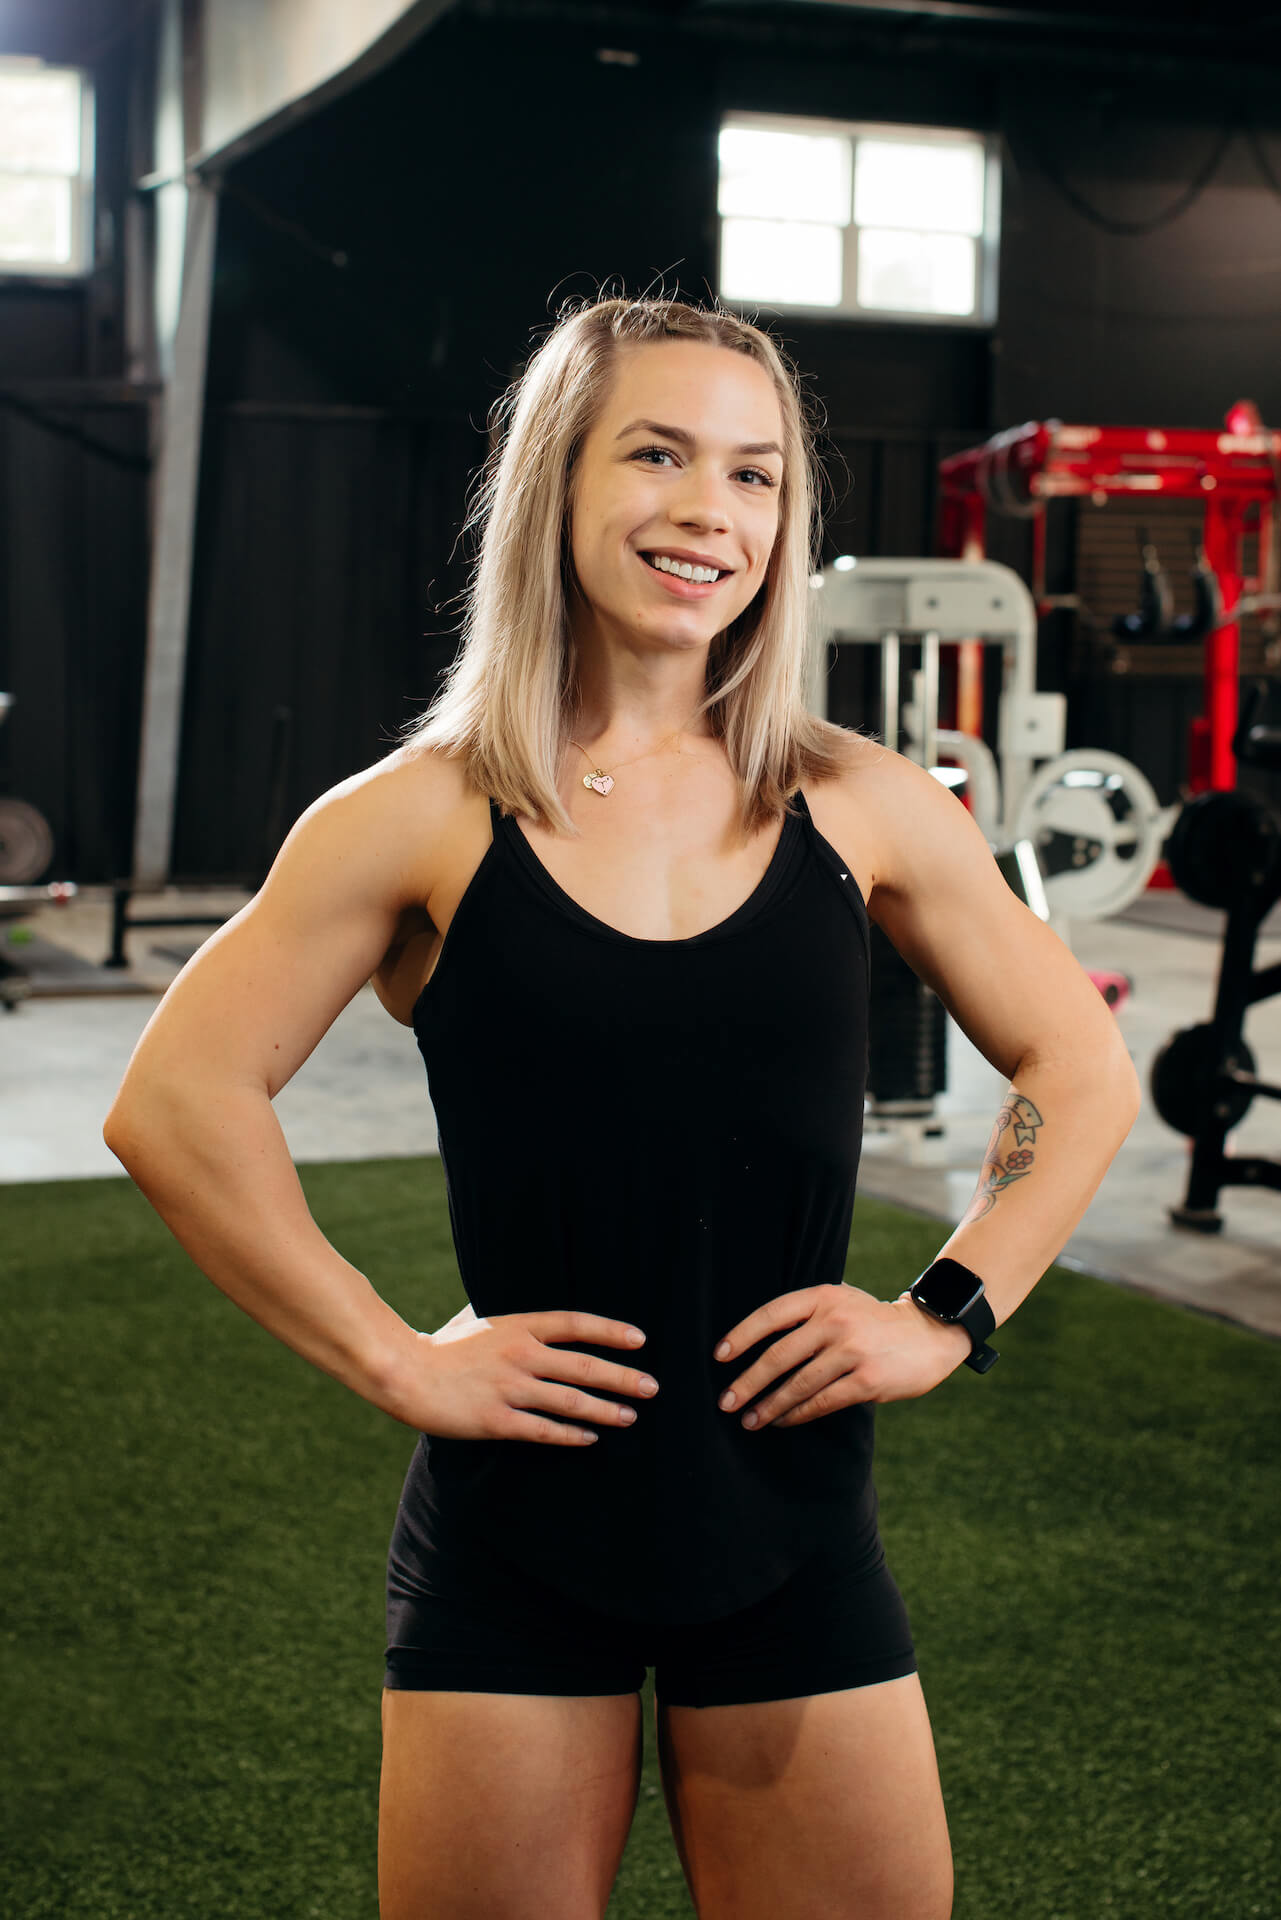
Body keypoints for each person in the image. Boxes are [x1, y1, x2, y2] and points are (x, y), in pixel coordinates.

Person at [104, 292, 1142, 1920]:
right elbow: (176, 1101)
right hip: (517, 1535)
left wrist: (946, 1311)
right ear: (556, 484)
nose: (708, 511)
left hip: (791, 1523)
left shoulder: (862, 804)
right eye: (656, 456)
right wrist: (391, 1356)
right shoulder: (422, 815)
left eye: (752, 474)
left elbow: (1076, 1065)